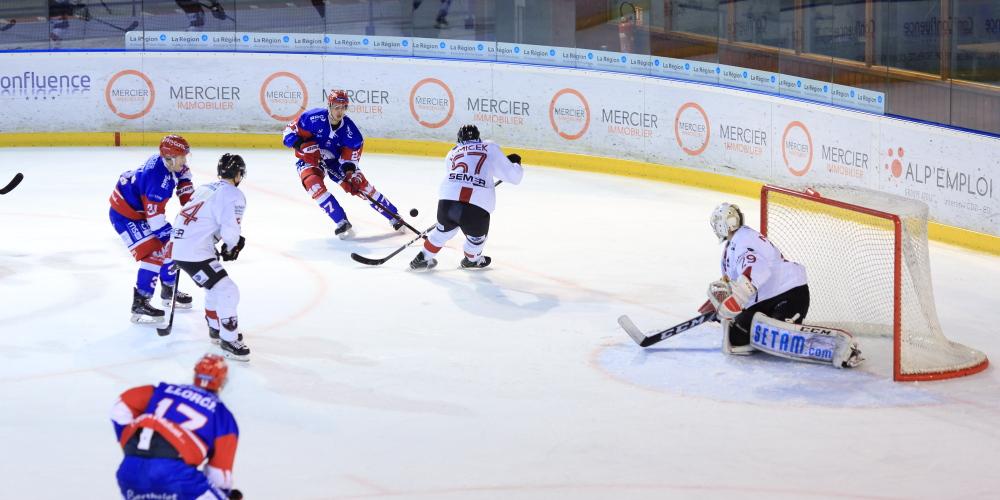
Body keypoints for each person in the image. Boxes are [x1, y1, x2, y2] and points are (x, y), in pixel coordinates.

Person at [705, 203, 863, 368]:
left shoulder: (742, 240)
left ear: (721, 225)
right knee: (736, 336)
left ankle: (839, 348)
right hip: (766, 301)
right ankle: (773, 329)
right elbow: (733, 282)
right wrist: (719, 303)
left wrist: (736, 298)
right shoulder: (733, 245)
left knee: (779, 337)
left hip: (789, 293)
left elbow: (758, 269)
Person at [111, 353, 242, 499]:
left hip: (130, 472)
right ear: (222, 381)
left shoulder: (162, 391)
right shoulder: (222, 415)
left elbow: (121, 405)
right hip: (175, 476)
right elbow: (219, 474)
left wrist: (131, 441)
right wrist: (224, 495)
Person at [282, 89, 403, 239]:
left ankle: (394, 216)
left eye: (343, 107)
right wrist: (301, 145)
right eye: (336, 107)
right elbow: (288, 132)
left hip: (336, 161)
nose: (339, 111)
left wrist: (349, 173)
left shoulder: (351, 132)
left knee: (361, 186)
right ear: (329, 105)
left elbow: (350, 158)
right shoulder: (312, 118)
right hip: (310, 158)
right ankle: (341, 222)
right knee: (313, 184)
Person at [168, 154, 250, 361]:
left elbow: (184, 216)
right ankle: (229, 339)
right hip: (195, 252)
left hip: (181, 247)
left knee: (214, 287)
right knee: (228, 290)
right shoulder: (233, 194)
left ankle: (215, 328)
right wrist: (232, 246)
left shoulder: (205, 188)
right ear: (238, 174)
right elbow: (230, 229)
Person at [409, 124, 523, 270]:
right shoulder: (489, 147)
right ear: (478, 137)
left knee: (442, 232)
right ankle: (472, 260)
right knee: (476, 240)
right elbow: (514, 177)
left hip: (447, 200)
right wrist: (515, 164)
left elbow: (457, 174)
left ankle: (423, 257)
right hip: (476, 206)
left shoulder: (452, 152)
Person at [110, 134, 195, 325]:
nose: (184, 161)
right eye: (182, 157)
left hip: (139, 208)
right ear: (170, 158)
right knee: (156, 252)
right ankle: (140, 302)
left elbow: (185, 181)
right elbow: (156, 222)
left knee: (171, 244)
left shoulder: (171, 164)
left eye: (185, 156)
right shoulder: (157, 181)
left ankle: (168, 291)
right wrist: (174, 239)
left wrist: (191, 208)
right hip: (125, 214)